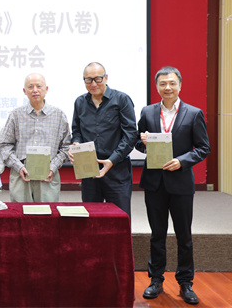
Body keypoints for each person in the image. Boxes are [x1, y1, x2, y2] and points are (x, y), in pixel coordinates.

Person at [136, 66, 210, 305]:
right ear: (157, 86)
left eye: (172, 83)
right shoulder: (147, 112)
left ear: (180, 85)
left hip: (180, 183)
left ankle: (185, 282)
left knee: (184, 235)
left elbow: (203, 148)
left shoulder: (193, 113)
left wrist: (182, 161)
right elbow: (138, 143)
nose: (167, 88)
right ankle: (156, 279)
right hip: (154, 182)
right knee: (157, 234)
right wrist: (143, 141)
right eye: (162, 84)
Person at [70, 62, 138, 217]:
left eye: (98, 79)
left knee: (119, 219)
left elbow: (130, 135)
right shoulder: (80, 102)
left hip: (117, 171)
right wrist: (76, 144)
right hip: (90, 171)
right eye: (88, 80)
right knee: (90, 218)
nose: (93, 84)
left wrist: (111, 160)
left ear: (106, 77)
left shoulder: (121, 99)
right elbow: (76, 130)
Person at [0, 73, 70, 202]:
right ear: (24, 91)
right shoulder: (15, 115)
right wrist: (18, 166)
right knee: (20, 213)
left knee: (47, 213)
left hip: (48, 173)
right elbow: (4, 145)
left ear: (46, 89)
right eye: (30, 87)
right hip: (21, 173)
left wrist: (53, 167)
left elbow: (66, 147)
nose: (35, 90)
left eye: (39, 86)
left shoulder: (59, 115)